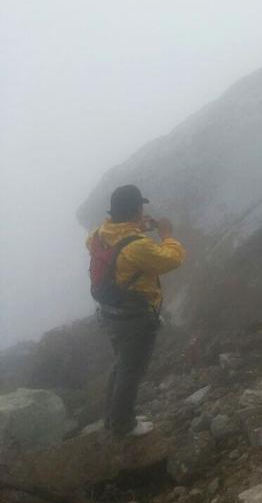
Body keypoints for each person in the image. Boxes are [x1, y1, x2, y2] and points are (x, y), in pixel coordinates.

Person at [85, 184, 186, 437]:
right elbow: (171, 259)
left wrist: (136, 228)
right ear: (136, 210)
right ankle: (123, 425)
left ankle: (113, 418)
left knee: (121, 366)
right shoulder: (137, 247)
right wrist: (167, 234)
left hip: (111, 313)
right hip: (134, 318)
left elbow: (113, 244)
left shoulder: (98, 233)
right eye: (141, 207)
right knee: (132, 371)